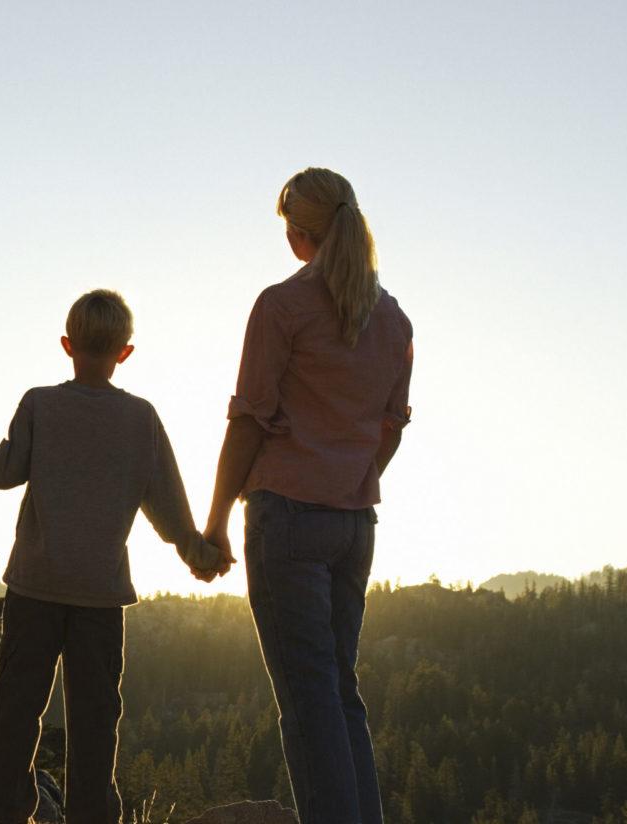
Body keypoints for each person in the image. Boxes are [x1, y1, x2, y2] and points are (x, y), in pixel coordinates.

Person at [0, 289, 227, 824]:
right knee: (95, 721)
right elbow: (168, 503)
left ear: (67, 345)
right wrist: (199, 552)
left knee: (18, 712)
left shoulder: (40, 404)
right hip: (100, 597)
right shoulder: (141, 418)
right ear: (125, 352)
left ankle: (6, 811)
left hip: (33, 589)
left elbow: (4, 471)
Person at [202, 168, 414, 824]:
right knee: (340, 695)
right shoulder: (392, 318)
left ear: (299, 235)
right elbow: (390, 429)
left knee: (308, 701)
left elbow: (249, 421)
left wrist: (214, 523)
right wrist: (352, 477)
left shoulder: (282, 306)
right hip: (355, 525)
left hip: (287, 518)